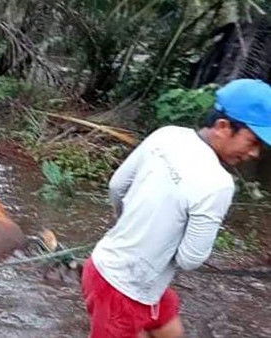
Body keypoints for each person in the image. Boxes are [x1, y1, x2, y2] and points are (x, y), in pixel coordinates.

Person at [81, 78, 271, 338]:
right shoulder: (218, 183)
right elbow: (190, 259)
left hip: (104, 269)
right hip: (122, 291)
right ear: (223, 127)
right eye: (252, 142)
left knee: (167, 328)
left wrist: (133, 227)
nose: (254, 154)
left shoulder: (167, 134)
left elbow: (116, 187)